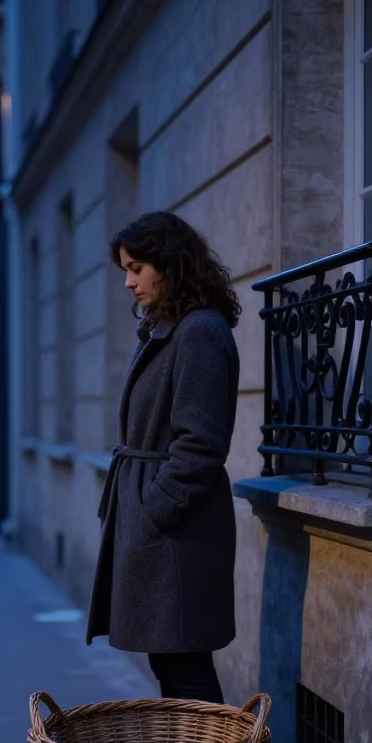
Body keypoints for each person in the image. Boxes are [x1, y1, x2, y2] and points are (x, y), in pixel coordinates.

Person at [86, 211, 241, 705]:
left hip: (177, 533)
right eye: (125, 271)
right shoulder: (170, 328)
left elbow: (201, 442)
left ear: (169, 264)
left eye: (137, 268)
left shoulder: (198, 333)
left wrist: (157, 507)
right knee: (171, 665)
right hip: (160, 526)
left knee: (186, 667)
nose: (129, 282)